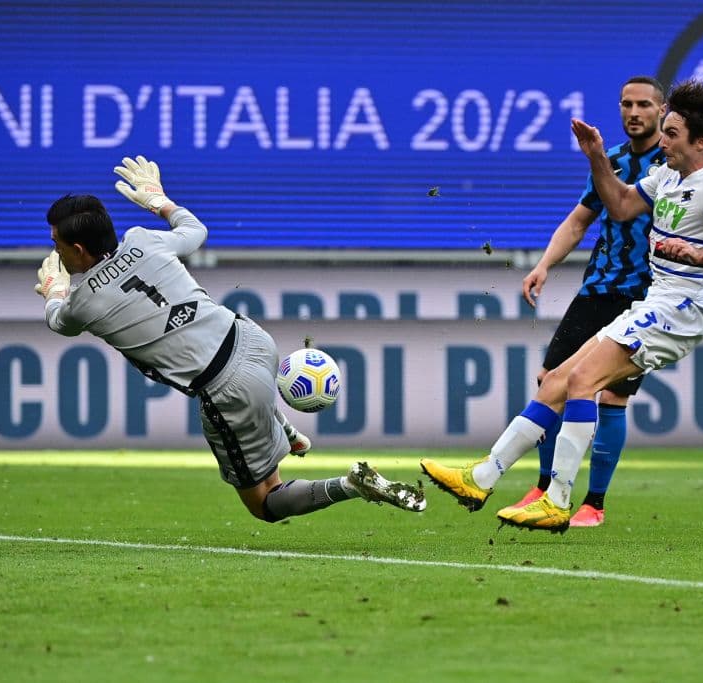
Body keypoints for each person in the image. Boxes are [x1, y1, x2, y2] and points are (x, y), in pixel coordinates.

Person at [421, 80, 703, 532]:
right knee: (558, 381)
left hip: (681, 310)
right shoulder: (667, 175)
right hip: (655, 303)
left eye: (672, 134)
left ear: (700, 142)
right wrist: (596, 157)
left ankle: (559, 498)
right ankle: (482, 477)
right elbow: (624, 205)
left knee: (586, 381)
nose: (662, 141)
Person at [35, 156, 426, 522]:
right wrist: (159, 200)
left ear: (78, 249)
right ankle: (284, 432)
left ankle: (350, 484)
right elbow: (195, 231)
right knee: (248, 392)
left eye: (57, 245)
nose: (56, 250)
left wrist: (55, 288)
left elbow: (58, 321)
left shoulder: (82, 303)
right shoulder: (142, 239)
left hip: (226, 388)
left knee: (265, 502)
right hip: (251, 338)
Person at [505, 76, 666, 528]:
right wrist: (544, 265)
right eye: (626, 105)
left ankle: (593, 503)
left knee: (612, 394)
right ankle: (542, 487)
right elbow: (578, 222)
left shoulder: (671, 164)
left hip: (646, 293)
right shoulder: (610, 159)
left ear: (662, 110)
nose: (633, 113)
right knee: (550, 380)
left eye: (643, 105)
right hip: (597, 287)